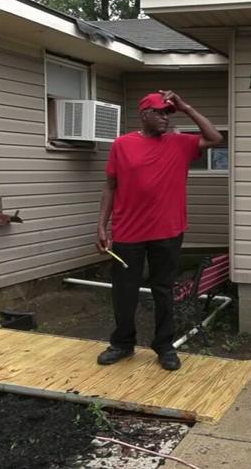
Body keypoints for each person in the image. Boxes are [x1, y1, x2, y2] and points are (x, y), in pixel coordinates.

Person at [95, 91, 223, 371]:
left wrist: (186, 107)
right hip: (128, 232)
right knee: (124, 291)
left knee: (163, 290)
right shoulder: (122, 145)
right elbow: (110, 186)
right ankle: (122, 344)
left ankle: (164, 346)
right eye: (160, 112)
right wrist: (101, 225)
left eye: (168, 113)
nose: (165, 118)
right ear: (144, 114)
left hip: (168, 231)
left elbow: (215, 138)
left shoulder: (180, 143)